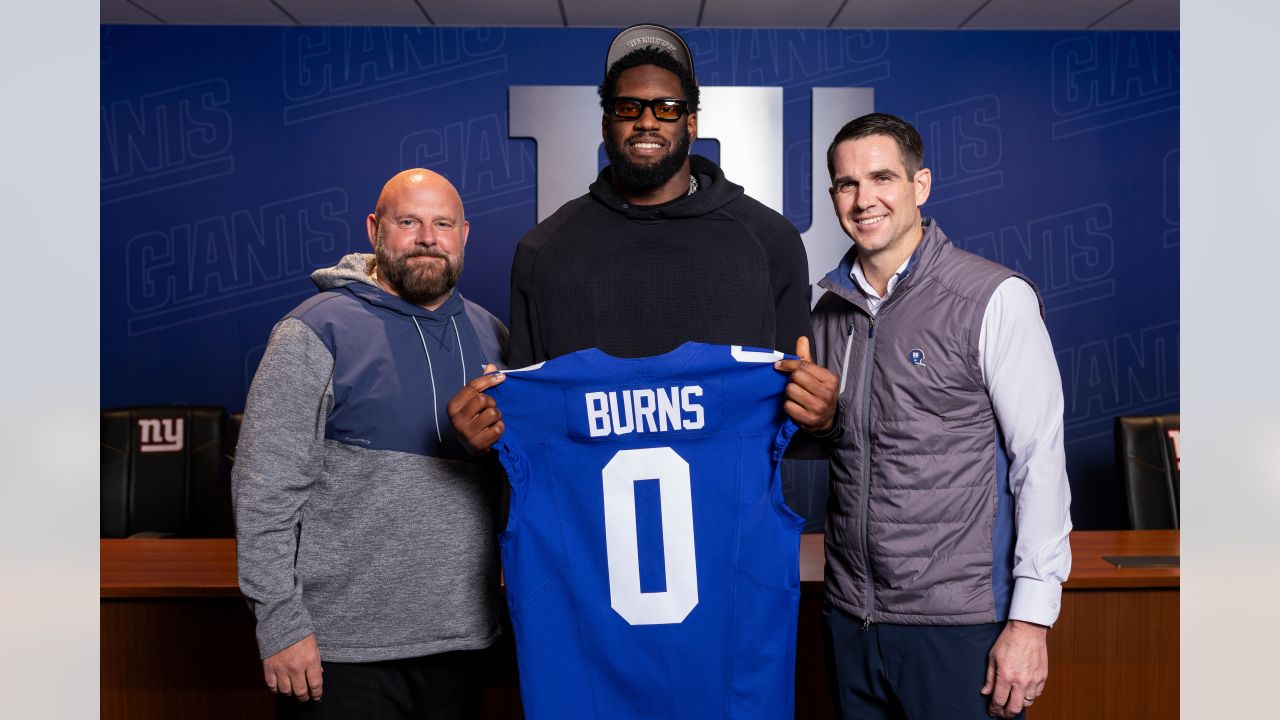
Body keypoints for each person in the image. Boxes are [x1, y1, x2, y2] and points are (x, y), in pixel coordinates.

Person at [450, 22, 837, 453]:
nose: (647, 122)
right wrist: (484, 433)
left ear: (691, 125)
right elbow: (529, 427)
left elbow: (796, 422)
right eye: (629, 107)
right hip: (585, 519)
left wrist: (824, 419)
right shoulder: (543, 250)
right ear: (606, 123)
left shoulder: (770, 239)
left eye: (667, 108)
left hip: (732, 515)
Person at [811, 113, 1073, 719]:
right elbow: (836, 443)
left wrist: (1031, 621)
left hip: (959, 625)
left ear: (920, 185)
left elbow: (1040, 459)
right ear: (833, 198)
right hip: (853, 619)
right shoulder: (827, 310)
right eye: (846, 184)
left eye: (882, 177)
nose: (863, 198)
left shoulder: (993, 297)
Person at [232, 169, 508, 719]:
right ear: (375, 229)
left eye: (442, 224)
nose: (427, 237)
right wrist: (281, 624)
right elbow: (263, 489)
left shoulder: (492, 335)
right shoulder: (315, 330)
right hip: (342, 651)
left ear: (464, 235)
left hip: (461, 639)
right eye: (409, 222)